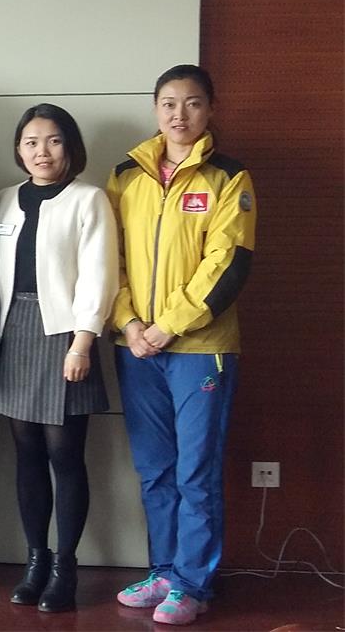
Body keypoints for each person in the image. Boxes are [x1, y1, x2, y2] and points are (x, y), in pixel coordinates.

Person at [106, 64, 255, 626]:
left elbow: (228, 263)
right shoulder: (126, 175)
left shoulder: (229, 177)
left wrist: (168, 325)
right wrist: (128, 324)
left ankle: (194, 584)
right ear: (155, 109)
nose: (179, 114)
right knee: (155, 469)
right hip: (137, 347)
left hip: (200, 348)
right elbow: (109, 258)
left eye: (192, 103)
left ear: (210, 109)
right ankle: (165, 572)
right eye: (168, 103)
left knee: (196, 471)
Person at [0, 104, 116, 612]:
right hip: (12, 331)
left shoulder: (89, 199)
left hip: (64, 334)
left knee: (65, 455)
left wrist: (83, 342)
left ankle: (65, 567)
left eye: (54, 141)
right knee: (27, 453)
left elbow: (100, 274)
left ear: (70, 147)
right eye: (32, 142)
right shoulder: (2, 200)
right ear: (19, 148)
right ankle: (35, 560)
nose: (42, 151)